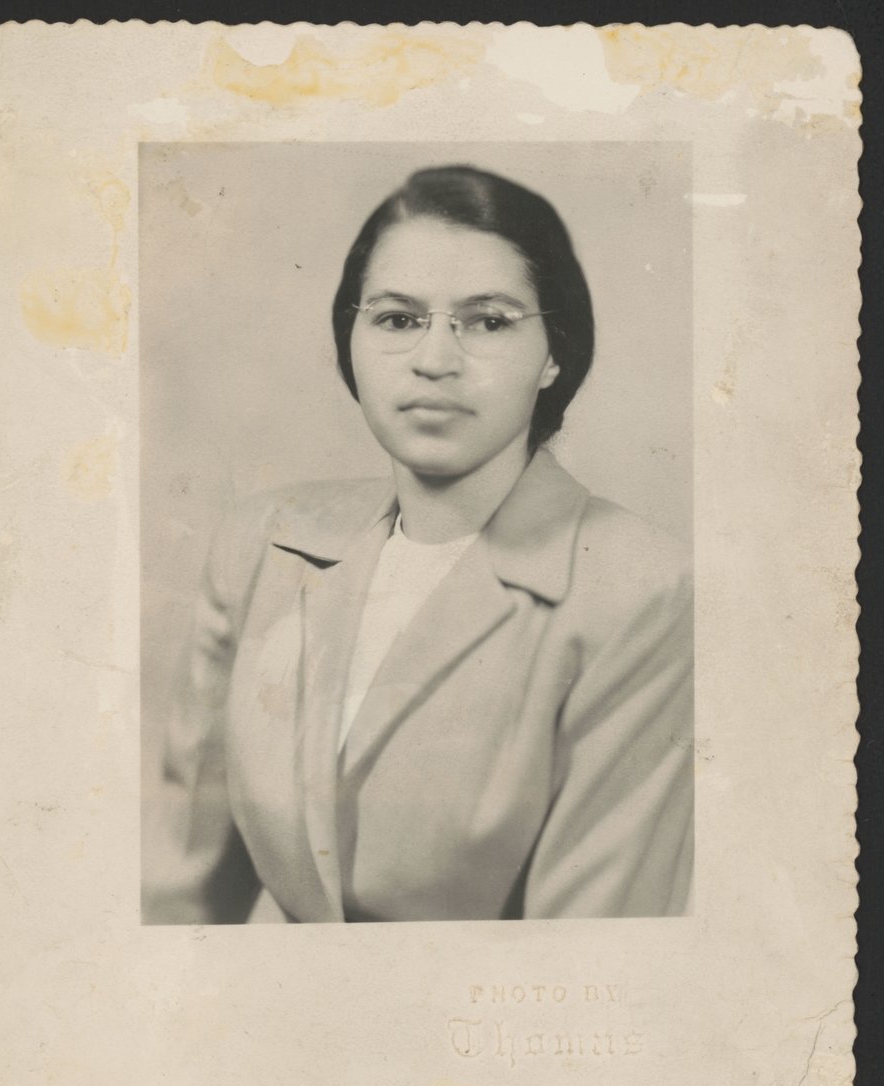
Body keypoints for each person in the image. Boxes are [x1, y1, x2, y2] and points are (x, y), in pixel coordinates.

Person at [144, 164, 693, 924]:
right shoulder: (263, 546)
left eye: (489, 321)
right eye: (398, 319)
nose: (435, 360)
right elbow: (173, 902)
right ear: (352, 341)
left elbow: (594, 956)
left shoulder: (641, 587)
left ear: (554, 355)